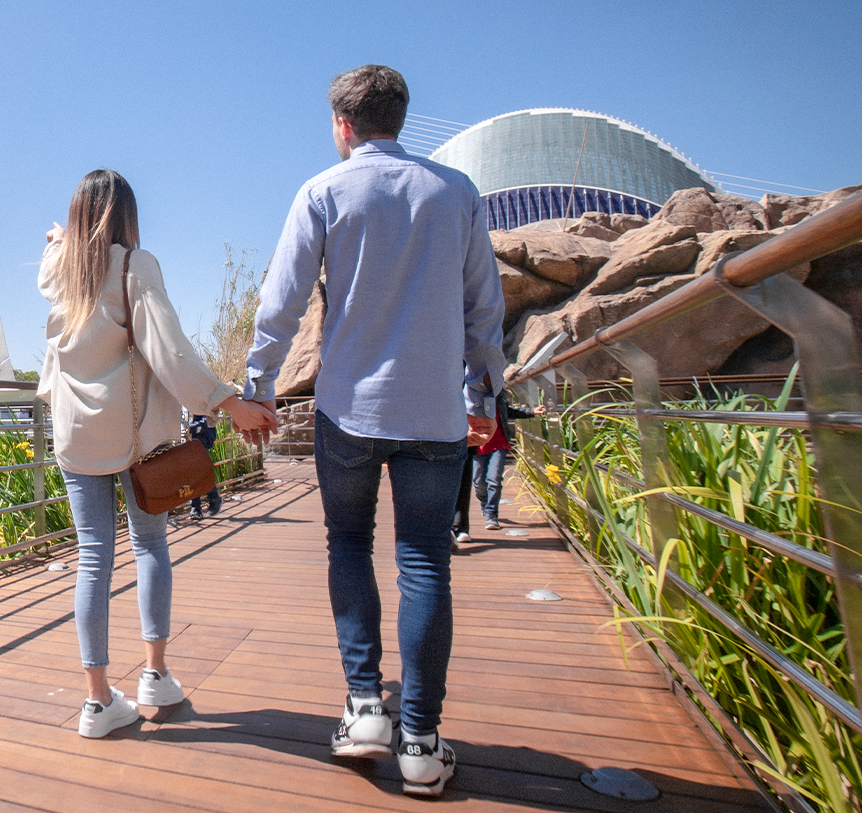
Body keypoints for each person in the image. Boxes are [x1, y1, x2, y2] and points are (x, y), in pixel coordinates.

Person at [241, 65, 505, 796]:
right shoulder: (456, 193)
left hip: (349, 411)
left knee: (349, 543)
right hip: (434, 412)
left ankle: (364, 708)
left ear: (343, 125)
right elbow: (485, 305)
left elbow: (280, 301)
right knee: (424, 560)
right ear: (400, 119)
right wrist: (485, 390)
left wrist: (258, 388)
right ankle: (421, 740)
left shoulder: (323, 193)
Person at [39, 169, 277, 739]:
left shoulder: (58, 271)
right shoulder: (134, 267)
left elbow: (58, 255)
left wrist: (58, 242)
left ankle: (96, 702)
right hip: (133, 436)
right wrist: (227, 402)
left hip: (76, 436)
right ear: (124, 215)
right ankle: (154, 675)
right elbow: (168, 350)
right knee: (148, 545)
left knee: (93, 558)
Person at [472, 394, 539, 530]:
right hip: (477, 443)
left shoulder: (498, 393)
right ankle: (485, 503)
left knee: (495, 479)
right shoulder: (469, 393)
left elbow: (508, 411)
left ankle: (491, 514)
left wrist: (531, 412)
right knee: (478, 481)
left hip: (499, 443)